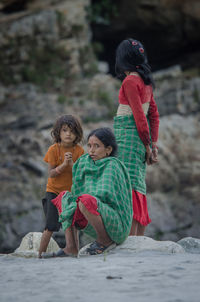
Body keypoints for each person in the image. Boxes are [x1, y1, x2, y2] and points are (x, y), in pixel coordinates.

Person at [48, 128, 133, 257]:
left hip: (115, 221)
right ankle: (71, 247)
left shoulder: (112, 165)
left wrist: (83, 200)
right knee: (64, 197)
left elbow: (105, 194)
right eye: (89, 146)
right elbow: (76, 190)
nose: (91, 150)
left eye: (97, 146)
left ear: (108, 150)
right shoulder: (84, 162)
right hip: (92, 214)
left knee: (85, 200)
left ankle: (105, 241)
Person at [113, 38, 159, 236]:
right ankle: (138, 237)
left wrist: (148, 147)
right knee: (137, 185)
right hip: (140, 140)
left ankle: (131, 237)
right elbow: (153, 115)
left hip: (129, 139)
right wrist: (153, 144)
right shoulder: (146, 82)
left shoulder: (130, 81)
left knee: (128, 184)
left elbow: (139, 117)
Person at [38, 114, 84, 258]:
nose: (68, 134)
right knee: (50, 225)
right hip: (54, 192)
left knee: (72, 224)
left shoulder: (79, 151)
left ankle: (74, 251)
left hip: (70, 193)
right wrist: (64, 165)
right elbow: (51, 174)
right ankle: (40, 254)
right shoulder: (54, 149)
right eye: (64, 130)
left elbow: (81, 174)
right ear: (58, 132)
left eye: (72, 131)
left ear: (77, 134)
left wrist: (72, 166)